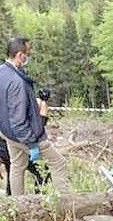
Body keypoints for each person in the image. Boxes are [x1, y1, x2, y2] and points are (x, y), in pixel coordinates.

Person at [0, 37, 68, 195]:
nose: (28, 56)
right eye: (27, 53)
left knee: (17, 166)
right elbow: (18, 120)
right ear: (19, 55)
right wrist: (32, 144)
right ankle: (66, 204)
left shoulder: (3, 71)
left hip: (8, 133)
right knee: (58, 163)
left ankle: (18, 207)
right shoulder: (17, 82)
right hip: (24, 135)